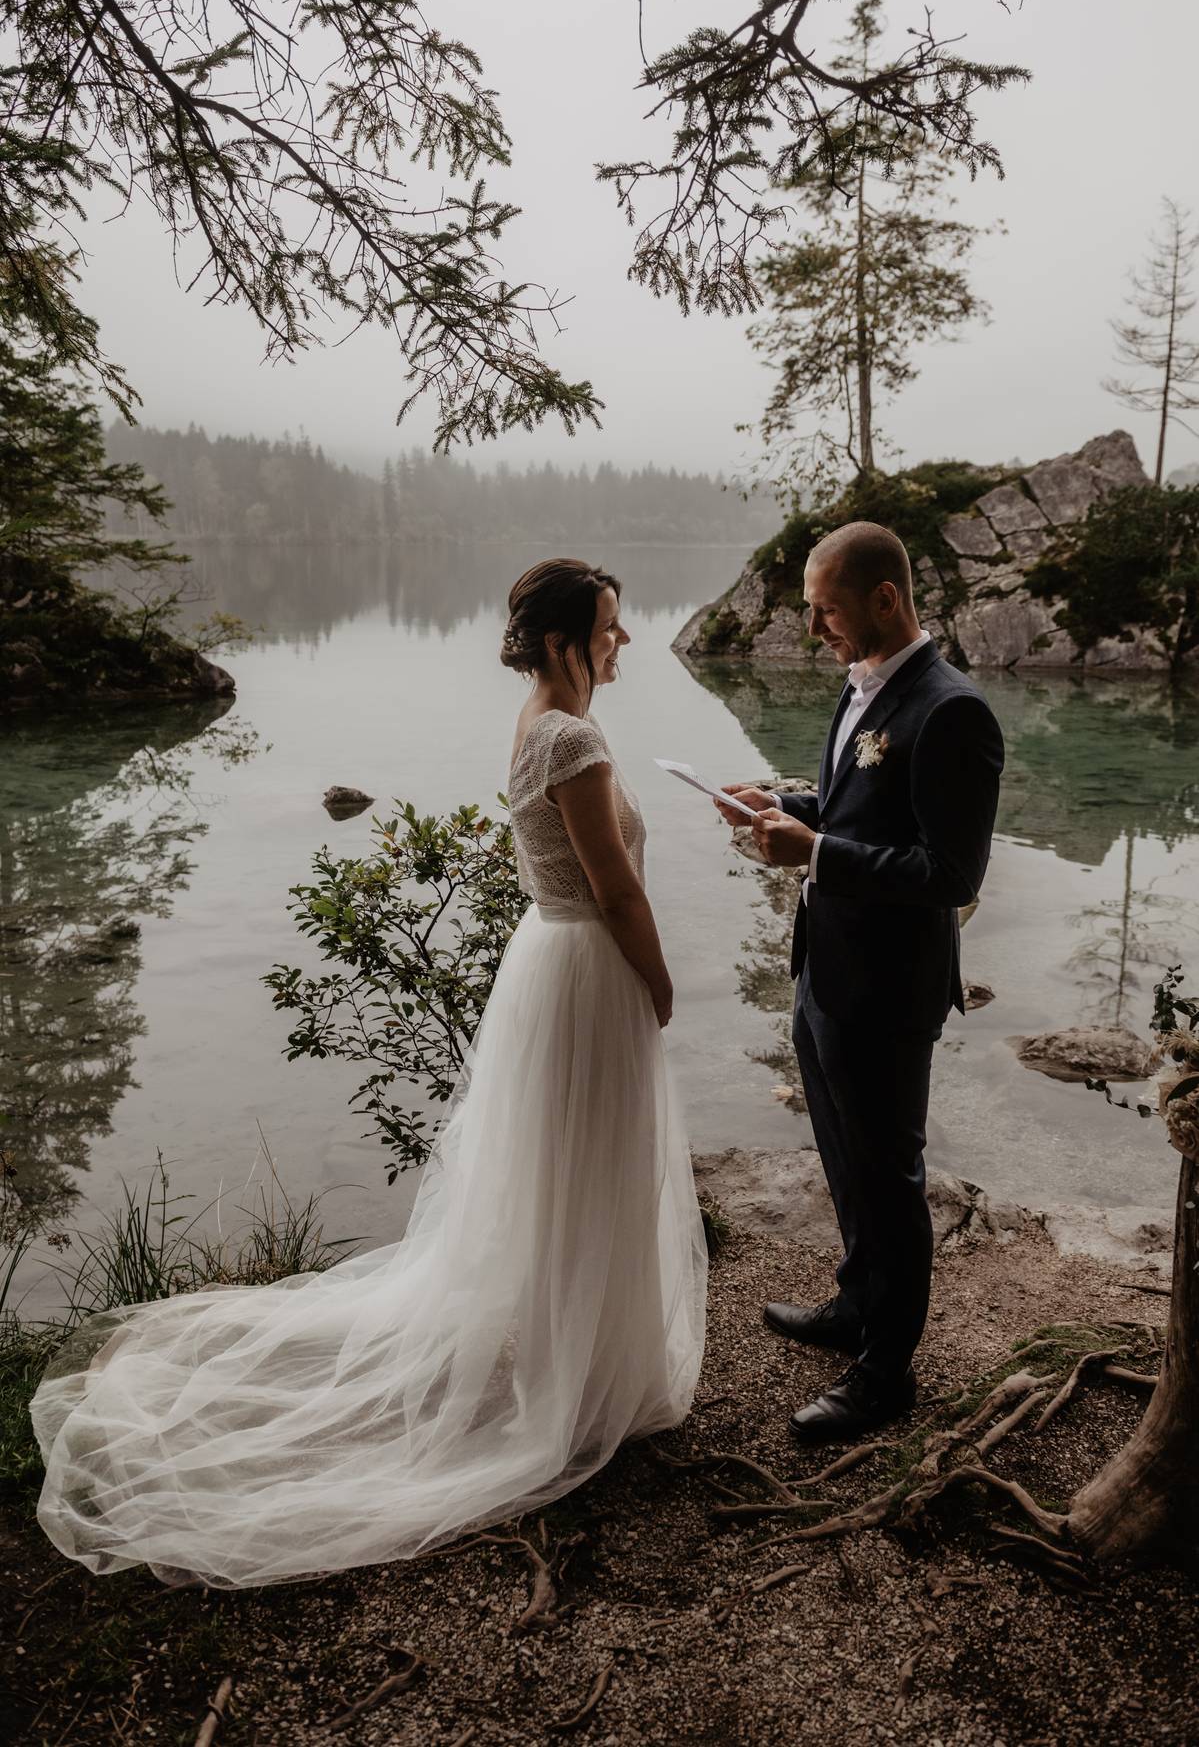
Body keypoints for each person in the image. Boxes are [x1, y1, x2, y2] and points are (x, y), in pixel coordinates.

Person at [30, 557, 707, 1589]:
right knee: (592, 1163)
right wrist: (658, 986)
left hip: (547, 959)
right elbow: (615, 892)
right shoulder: (572, 738)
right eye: (611, 627)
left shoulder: (535, 721)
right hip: (586, 964)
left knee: (560, 1167)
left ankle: (577, 1365)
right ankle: (583, 1386)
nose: (624, 643)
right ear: (567, 639)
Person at [716, 522, 1004, 1444]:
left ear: (885, 599)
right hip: (822, 972)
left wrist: (817, 854)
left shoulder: (950, 708)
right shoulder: (863, 686)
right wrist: (786, 807)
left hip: (886, 988)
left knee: (888, 1175)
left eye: (825, 608)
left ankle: (885, 1374)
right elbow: (855, 807)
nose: (812, 626)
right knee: (843, 1161)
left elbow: (950, 876)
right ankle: (853, 1304)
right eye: (808, 607)